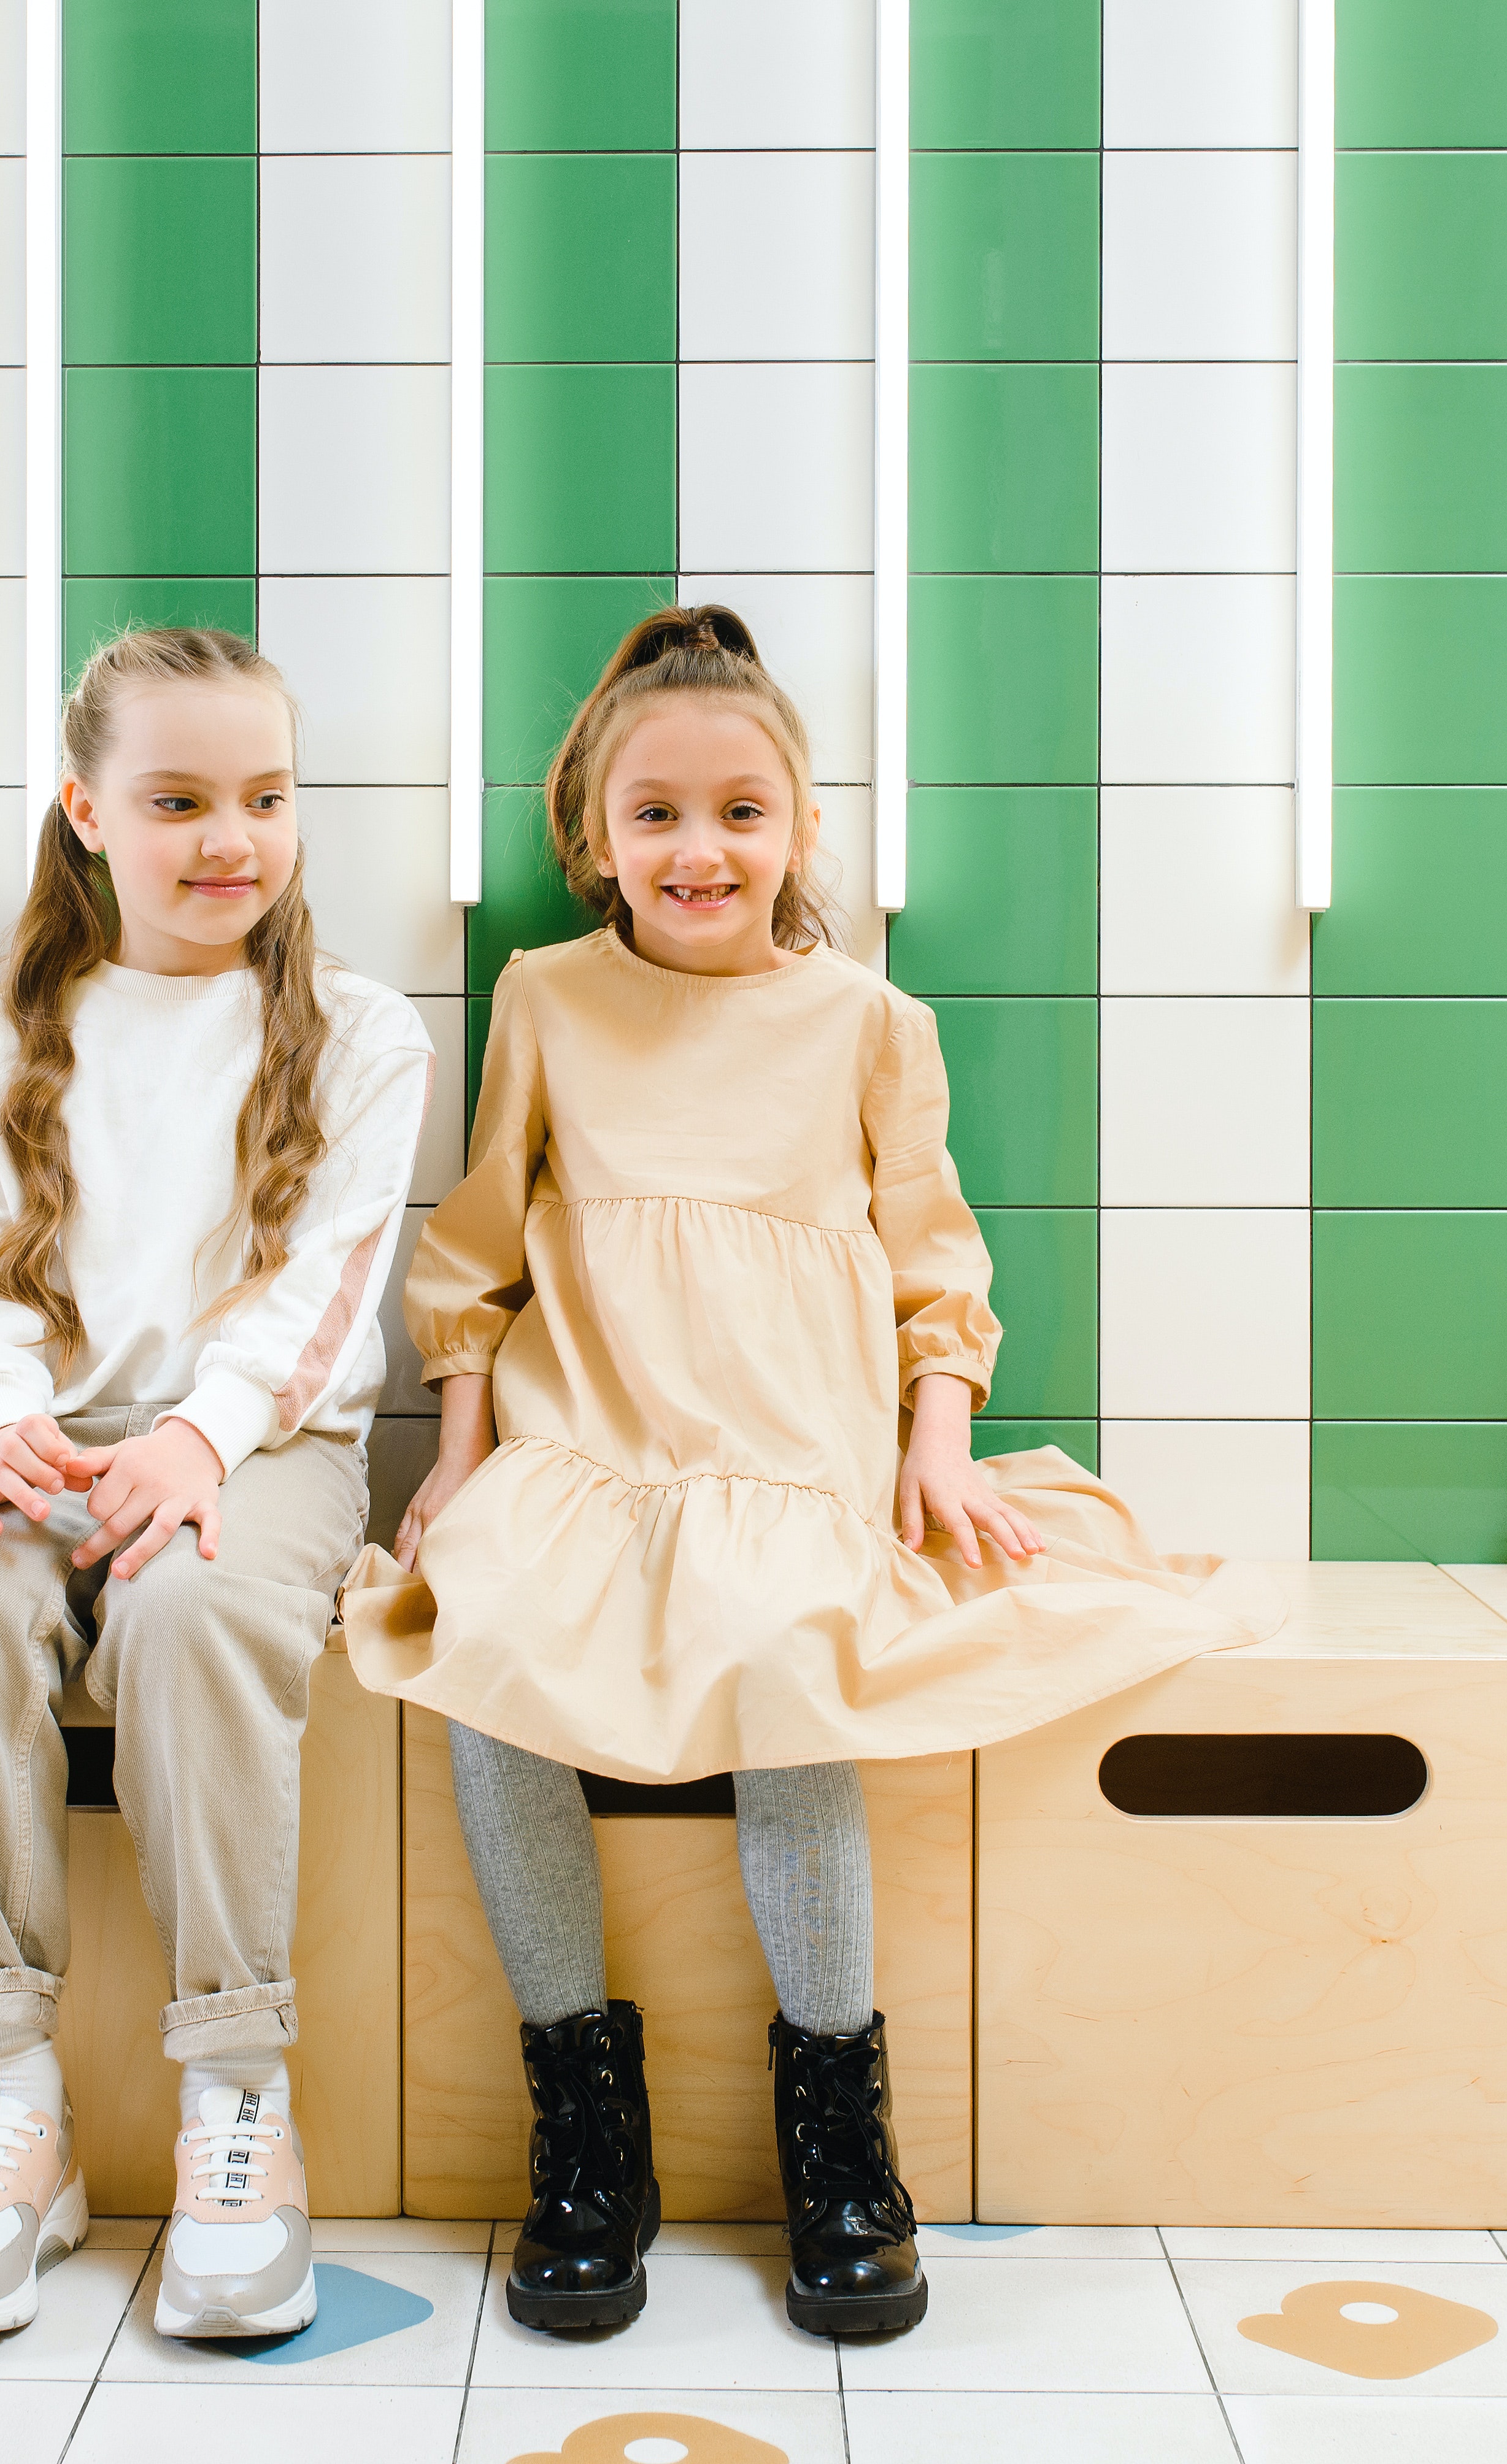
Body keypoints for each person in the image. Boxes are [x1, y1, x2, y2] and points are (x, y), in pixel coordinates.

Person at [343, 606, 1273, 2338]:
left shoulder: (867, 1020)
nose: (702, 851)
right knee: (483, 1660)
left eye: (741, 813)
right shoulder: (545, 1000)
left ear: (805, 829)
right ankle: (583, 2123)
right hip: (589, 1447)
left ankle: (840, 2127)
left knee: (792, 1671)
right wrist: (458, 1454)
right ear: (595, 839)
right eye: (659, 817)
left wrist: (940, 1442)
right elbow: (474, 1254)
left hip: (790, 1457)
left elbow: (935, 1263)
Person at [0, 626, 430, 2339]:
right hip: (47, 1438)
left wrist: (198, 1436)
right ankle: (7, 2106)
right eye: (177, 798)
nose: (228, 840)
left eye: (264, 797)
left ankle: (236, 2105)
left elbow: (332, 1290)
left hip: (262, 1447)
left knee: (187, 1611)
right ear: (85, 808)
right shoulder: (2, 1042)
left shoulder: (356, 1032)